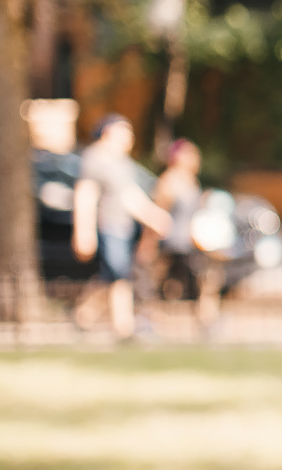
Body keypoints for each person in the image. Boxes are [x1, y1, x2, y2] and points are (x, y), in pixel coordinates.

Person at [72, 114, 170, 342]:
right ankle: (124, 327)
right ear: (109, 132)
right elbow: (85, 195)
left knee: (112, 275)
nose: (131, 137)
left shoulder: (122, 163)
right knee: (119, 274)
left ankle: (83, 314)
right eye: (125, 131)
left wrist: (153, 216)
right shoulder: (95, 158)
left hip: (124, 226)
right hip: (107, 225)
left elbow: (131, 196)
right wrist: (83, 230)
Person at [145, 138, 225, 325]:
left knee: (205, 280)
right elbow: (157, 213)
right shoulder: (168, 181)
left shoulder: (191, 181)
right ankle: (150, 318)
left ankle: (207, 318)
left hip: (190, 242)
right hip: (171, 243)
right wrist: (149, 243)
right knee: (158, 285)